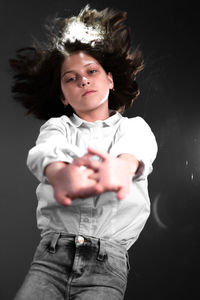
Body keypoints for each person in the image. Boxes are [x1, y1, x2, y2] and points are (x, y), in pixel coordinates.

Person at [10, 5, 157, 300]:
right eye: (71, 78)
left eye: (91, 72)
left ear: (110, 80)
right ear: (64, 96)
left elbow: (135, 154)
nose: (83, 80)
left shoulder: (134, 128)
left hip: (106, 265)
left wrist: (121, 169)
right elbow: (45, 153)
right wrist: (60, 173)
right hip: (50, 259)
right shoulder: (58, 126)